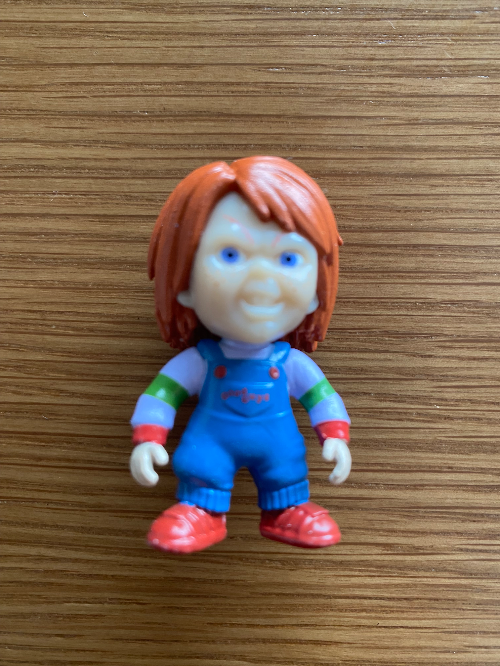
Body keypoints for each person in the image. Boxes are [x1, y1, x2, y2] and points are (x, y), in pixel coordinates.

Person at [130, 156, 351, 553]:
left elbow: (322, 396)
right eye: (231, 255)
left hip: (277, 442)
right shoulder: (200, 361)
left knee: (286, 465)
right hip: (210, 441)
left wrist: (335, 435)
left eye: (287, 258)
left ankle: (286, 508)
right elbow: (162, 394)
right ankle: (201, 509)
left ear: (314, 292)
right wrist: (149, 437)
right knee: (201, 462)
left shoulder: (292, 364)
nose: (261, 277)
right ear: (184, 285)